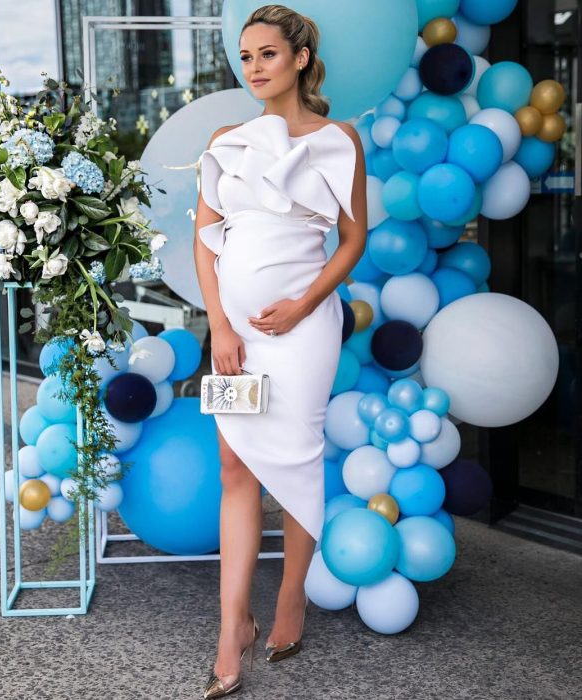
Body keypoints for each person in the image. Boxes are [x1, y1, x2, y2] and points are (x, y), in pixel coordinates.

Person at [193, 4, 367, 698]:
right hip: (233, 327)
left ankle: (290, 596)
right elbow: (208, 244)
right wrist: (222, 327)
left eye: (267, 53)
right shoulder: (225, 138)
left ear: (298, 58)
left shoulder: (338, 139)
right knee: (234, 465)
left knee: (294, 459)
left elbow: (352, 239)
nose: (254, 66)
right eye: (246, 56)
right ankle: (230, 622)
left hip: (304, 329)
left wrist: (301, 304)